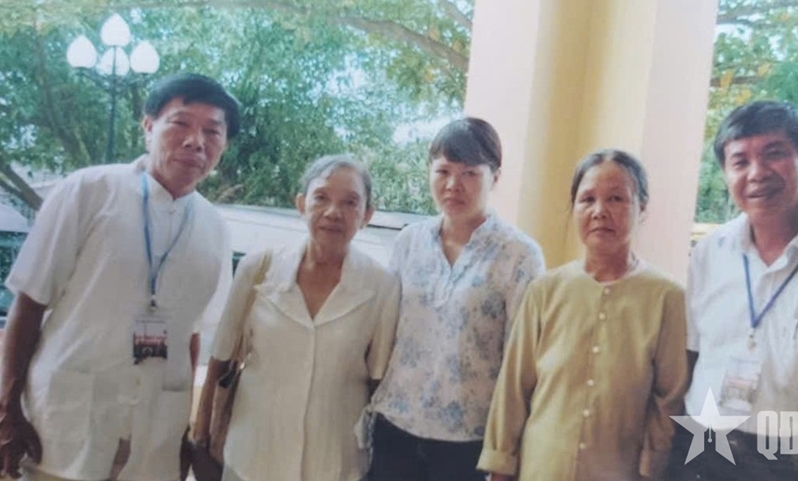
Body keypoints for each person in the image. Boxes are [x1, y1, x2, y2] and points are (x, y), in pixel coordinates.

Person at [0, 73, 240, 481]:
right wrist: (6, 411)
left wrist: (184, 432)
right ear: (148, 126)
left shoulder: (215, 228)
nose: (195, 141)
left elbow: (191, 335)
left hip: (153, 435)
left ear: (223, 145)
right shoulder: (89, 191)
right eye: (180, 123)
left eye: (212, 131)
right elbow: (30, 300)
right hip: (65, 422)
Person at [668, 101, 798, 481]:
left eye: (773, 154)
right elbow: (691, 358)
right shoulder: (710, 253)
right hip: (702, 446)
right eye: (740, 161)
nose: (757, 173)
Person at [476, 149, 687, 481]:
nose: (600, 211)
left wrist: (651, 468)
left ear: (642, 208)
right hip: (541, 469)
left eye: (616, 198)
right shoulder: (545, 291)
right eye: (587, 199)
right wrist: (500, 466)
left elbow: (668, 398)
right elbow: (514, 388)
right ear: (574, 207)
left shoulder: (667, 297)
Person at [192, 155, 400, 481]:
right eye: (321, 198)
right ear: (302, 204)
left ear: (367, 215)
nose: (333, 212)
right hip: (253, 457)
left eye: (350, 202)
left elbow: (378, 381)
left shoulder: (381, 285)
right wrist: (202, 434)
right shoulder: (258, 268)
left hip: (334, 461)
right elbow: (222, 356)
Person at [368, 117, 546, 481]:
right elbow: (385, 334)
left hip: (468, 443)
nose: (453, 185)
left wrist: (508, 452)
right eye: (443, 171)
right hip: (395, 427)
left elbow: (523, 363)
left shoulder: (519, 255)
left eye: (469, 173)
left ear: (495, 177)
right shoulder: (409, 241)